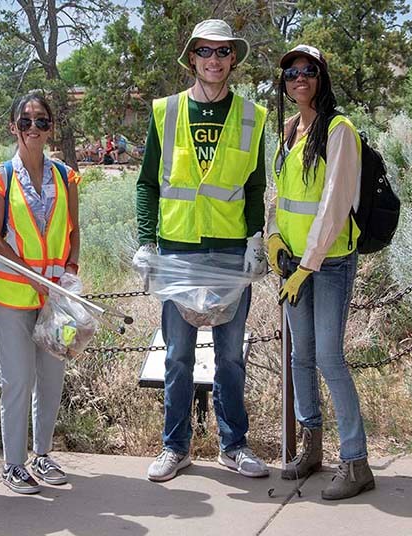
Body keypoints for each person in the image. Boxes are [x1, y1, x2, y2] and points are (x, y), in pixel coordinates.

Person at [135, 19, 269, 482]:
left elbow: (254, 187)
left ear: (233, 59)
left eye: (223, 52)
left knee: (231, 356)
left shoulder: (252, 116)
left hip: (231, 253)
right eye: (206, 51)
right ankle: (176, 447)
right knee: (177, 355)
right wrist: (146, 242)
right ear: (192, 57)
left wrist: (255, 238)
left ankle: (234, 446)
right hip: (180, 254)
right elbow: (148, 184)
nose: (214, 60)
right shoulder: (166, 111)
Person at [268, 44, 375, 500]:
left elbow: (333, 207)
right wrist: (273, 239)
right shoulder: (290, 129)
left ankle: (355, 462)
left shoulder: (338, 129)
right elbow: (282, 196)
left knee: (330, 358)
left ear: (321, 77)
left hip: (327, 264)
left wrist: (306, 265)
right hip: (294, 263)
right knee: (301, 357)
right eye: (291, 73)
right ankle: (311, 447)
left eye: (308, 71)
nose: (299, 79)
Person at [0, 91, 81, 495]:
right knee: (17, 380)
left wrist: (69, 276)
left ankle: (42, 454)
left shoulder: (66, 177)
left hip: (56, 299)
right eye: (26, 121)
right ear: (13, 127)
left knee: (52, 378)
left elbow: (74, 232)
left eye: (42, 121)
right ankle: (13, 463)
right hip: (11, 297)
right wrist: (30, 275)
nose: (34, 128)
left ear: (51, 127)